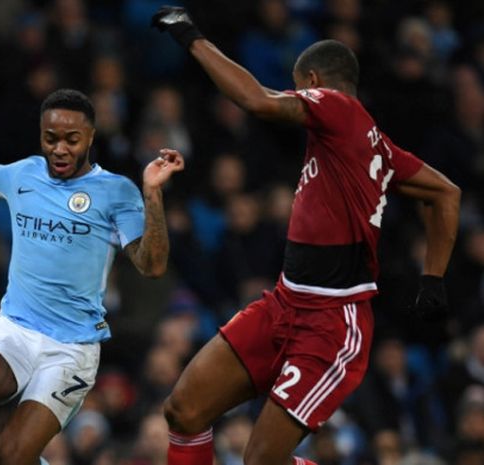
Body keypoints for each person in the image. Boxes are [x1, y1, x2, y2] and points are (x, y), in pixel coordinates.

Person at [151, 7, 460, 465]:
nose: (298, 97)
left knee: (260, 460)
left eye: (301, 87)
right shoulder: (374, 146)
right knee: (184, 410)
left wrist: (190, 36)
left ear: (314, 80)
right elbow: (445, 193)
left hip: (332, 324)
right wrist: (432, 278)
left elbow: (256, 100)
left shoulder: (336, 108)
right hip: (285, 302)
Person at [0, 68, 184, 465]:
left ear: (91, 138)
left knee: (13, 455)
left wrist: (152, 194)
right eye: (50, 139)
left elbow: (151, 265)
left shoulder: (116, 192)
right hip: (15, 327)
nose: (59, 149)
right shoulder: (23, 173)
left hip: (71, 348)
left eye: (71, 139)